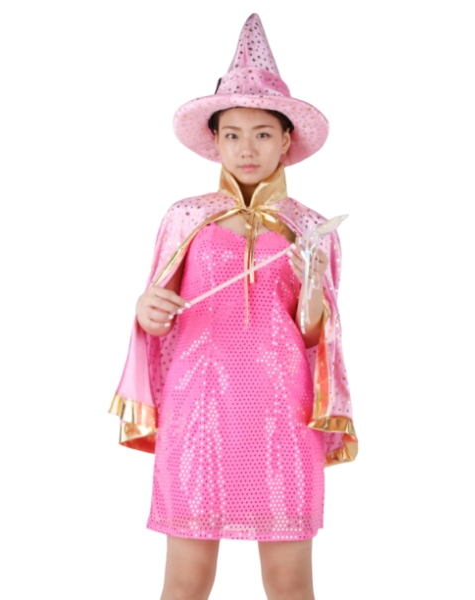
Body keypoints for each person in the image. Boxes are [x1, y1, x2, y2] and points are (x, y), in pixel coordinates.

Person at [106, 12, 357, 600]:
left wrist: (313, 288)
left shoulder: (312, 228)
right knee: (185, 581)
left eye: (263, 134)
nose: (248, 148)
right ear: (216, 141)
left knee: (290, 584)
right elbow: (154, 314)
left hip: (282, 410)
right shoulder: (184, 217)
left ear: (286, 141)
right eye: (234, 134)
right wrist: (146, 309)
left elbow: (318, 337)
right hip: (196, 407)